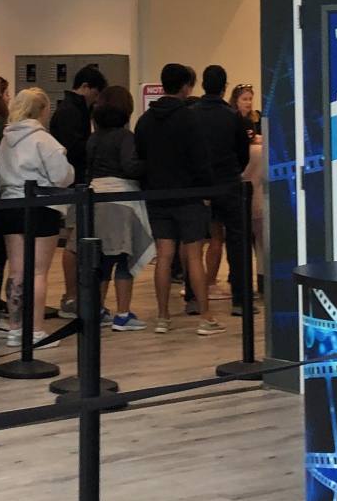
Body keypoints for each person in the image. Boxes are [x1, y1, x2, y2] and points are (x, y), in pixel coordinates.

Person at [136, 63, 223, 336]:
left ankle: (163, 317)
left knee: (164, 255)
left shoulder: (145, 120)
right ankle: (205, 317)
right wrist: (207, 191)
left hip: (157, 196)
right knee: (194, 256)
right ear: (186, 86)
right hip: (188, 195)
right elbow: (201, 159)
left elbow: (140, 159)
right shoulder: (190, 118)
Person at [0, 87, 73, 347]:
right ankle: (36, 330)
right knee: (38, 272)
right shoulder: (43, 140)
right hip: (41, 207)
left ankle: (15, 328)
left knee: (16, 271)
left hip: (10, 205)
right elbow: (61, 176)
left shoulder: (6, 139)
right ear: (42, 110)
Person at [87, 84, 155, 330]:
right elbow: (130, 167)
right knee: (125, 258)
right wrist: (149, 163)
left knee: (103, 260)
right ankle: (123, 314)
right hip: (122, 201)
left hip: (96, 199)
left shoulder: (94, 137)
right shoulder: (125, 137)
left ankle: (97, 310)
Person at [192, 65, 252, 317]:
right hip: (229, 183)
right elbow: (243, 153)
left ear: (203, 85)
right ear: (224, 87)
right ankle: (240, 299)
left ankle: (194, 297)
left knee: (194, 242)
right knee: (237, 241)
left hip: (199, 185)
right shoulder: (232, 116)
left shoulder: (192, 114)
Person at [49, 64, 105, 313]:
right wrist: (94, 144)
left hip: (77, 182)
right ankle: (71, 296)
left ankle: (74, 295)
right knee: (73, 241)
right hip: (74, 183)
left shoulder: (74, 109)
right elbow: (74, 148)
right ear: (85, 87)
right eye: (95, 93)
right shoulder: (71, 112)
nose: (96, 100)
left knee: (76, 239)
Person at [234, 84, 265, 298]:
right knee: (258, 243)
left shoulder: (255, 127)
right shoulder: (258, 148)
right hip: (253, 197)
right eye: (244, 99)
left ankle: (244, 284)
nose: (248, 102)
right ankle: (259, 282)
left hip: (250, 196)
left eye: (250, 99)